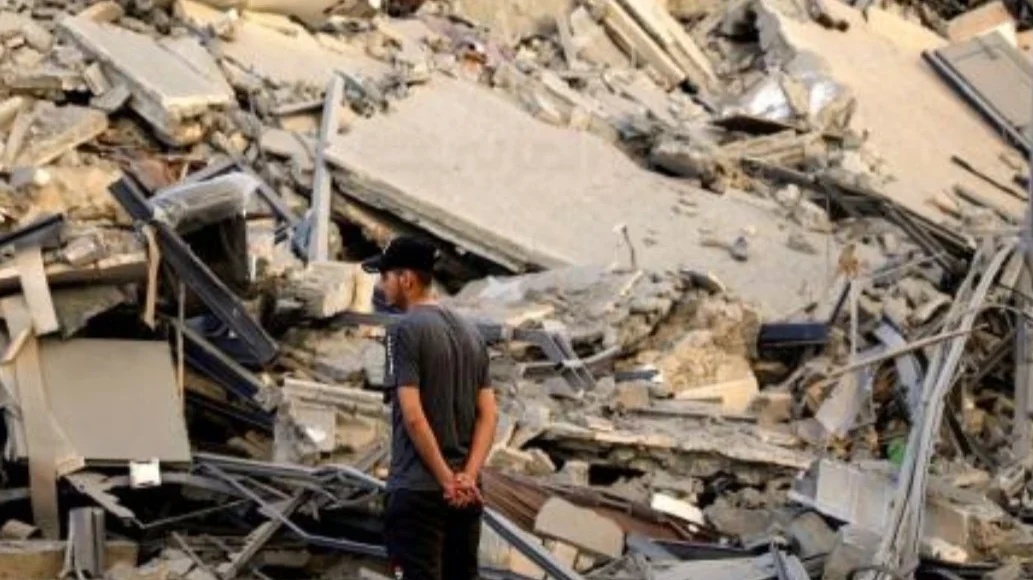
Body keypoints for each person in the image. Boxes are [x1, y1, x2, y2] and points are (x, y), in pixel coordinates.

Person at [362, 237, 498, 580]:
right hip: (466, 495)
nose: (381, 285)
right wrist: (467, 477)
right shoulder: (472, 334)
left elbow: (413, 416)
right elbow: (489, 415)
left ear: (406, 279)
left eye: (385, 277)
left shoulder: (402, 332)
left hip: (418, 492)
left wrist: (445, 480)